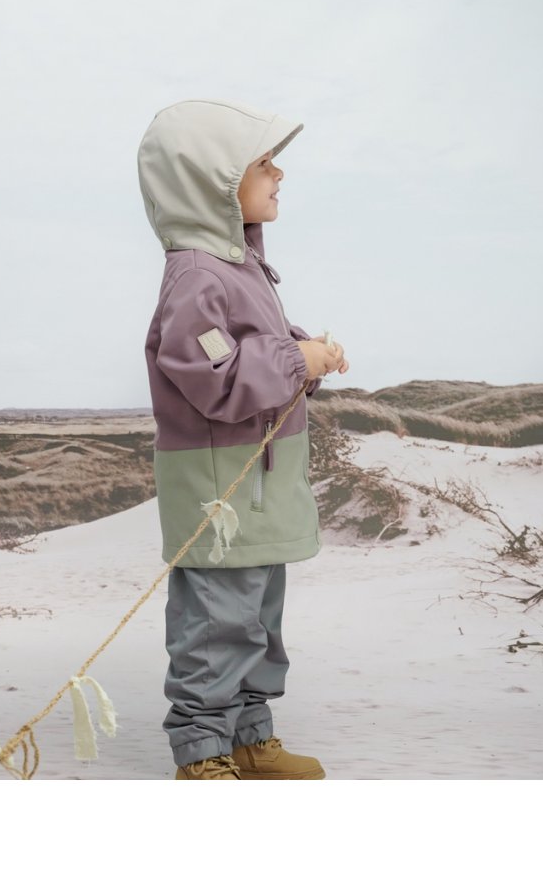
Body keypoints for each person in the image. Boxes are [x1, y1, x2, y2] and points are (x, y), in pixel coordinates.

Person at [139, 99, 348, 780]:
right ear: (213, 180)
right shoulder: (197, 275)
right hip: (220, 490)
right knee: (216, 623)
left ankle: (250, 736)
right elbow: (209, 374)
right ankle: (202, 750)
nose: (278, 173)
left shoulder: (241, 268)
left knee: (257, 618)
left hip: (260, 485)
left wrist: (306, 353)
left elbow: (252, 350)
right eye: (263, 163)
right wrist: (294, 360)